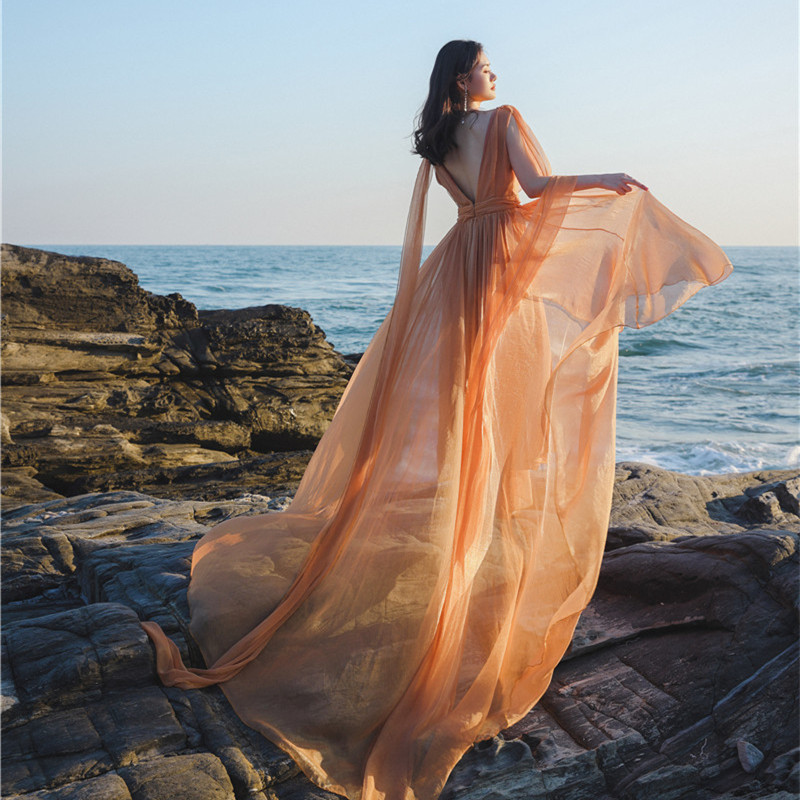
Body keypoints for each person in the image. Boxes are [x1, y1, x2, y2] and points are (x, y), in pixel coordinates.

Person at [141, 40, 732, 800]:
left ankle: (461, 533)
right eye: (487, 65)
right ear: (464, 77)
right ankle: (474, 555)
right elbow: (540, 187)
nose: (497, 75)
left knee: (468, 405)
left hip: (456, 267)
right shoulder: (503, 117)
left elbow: (477, 205)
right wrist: (610, 180)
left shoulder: (435, 144)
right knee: (511, 393)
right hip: (498, 264)